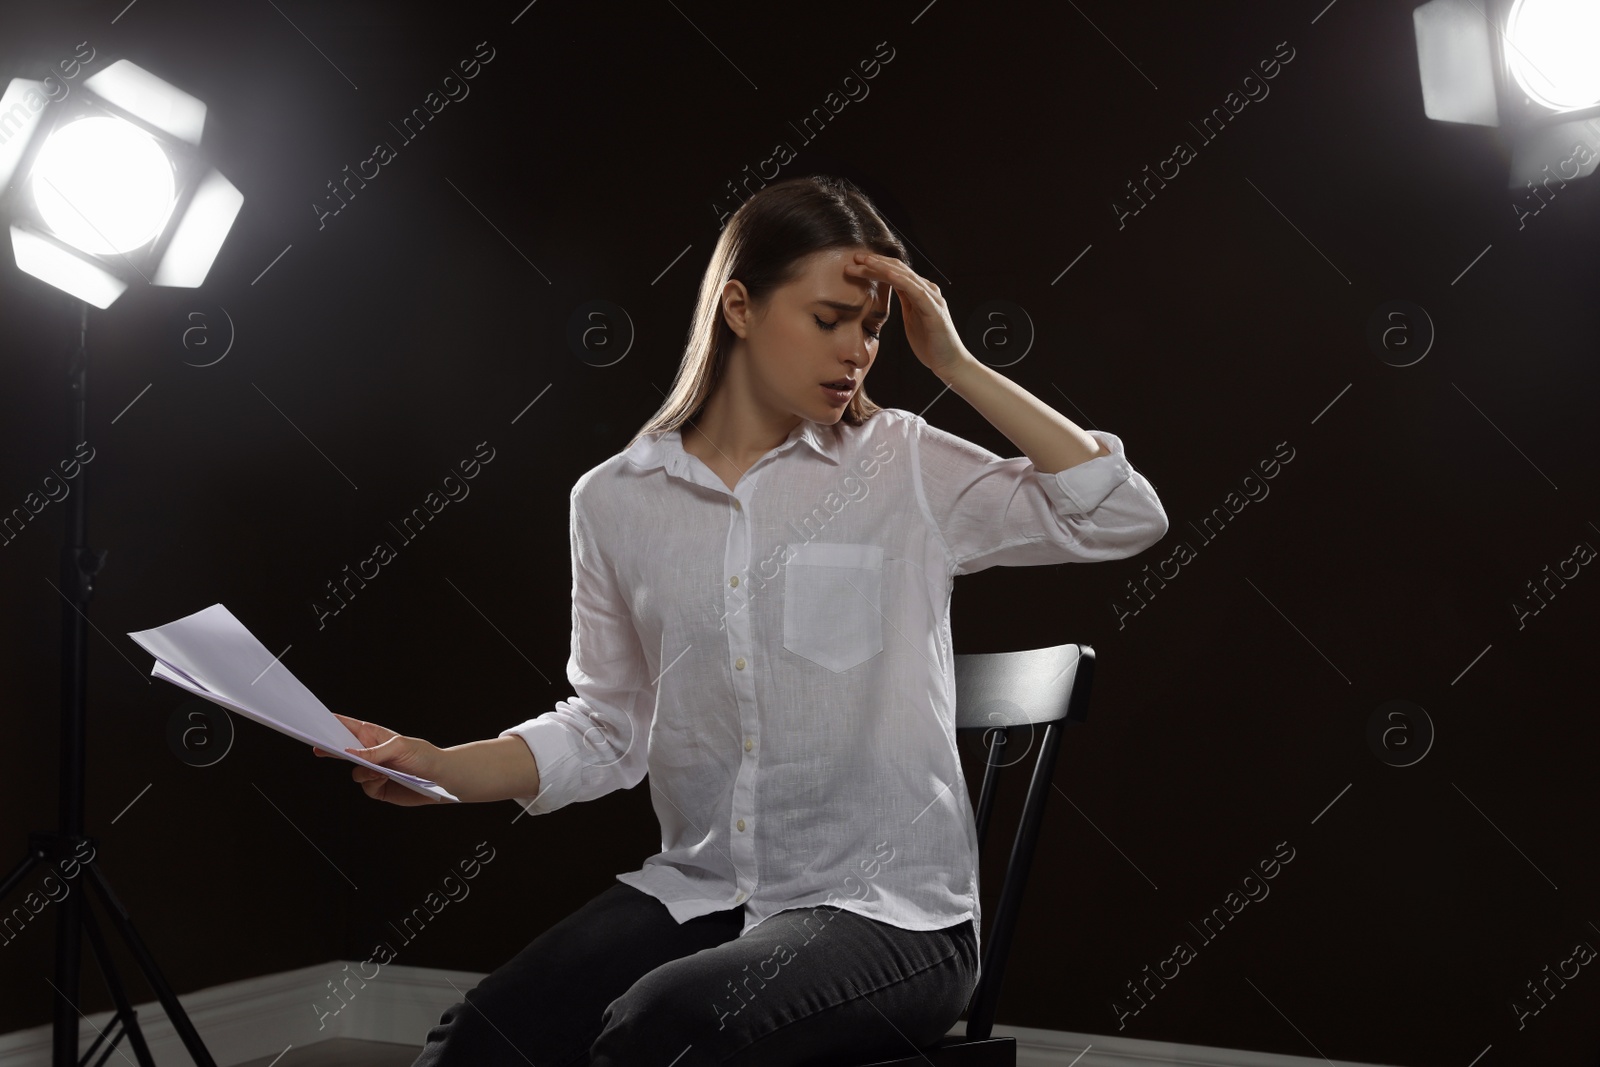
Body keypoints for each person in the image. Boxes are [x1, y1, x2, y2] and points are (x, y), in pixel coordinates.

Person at [314, 174, 1169, 1066]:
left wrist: (955, 363)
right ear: (739, 307)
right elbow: (607, 728)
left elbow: (1119, 515)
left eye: (874, 328)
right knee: (478, 1041)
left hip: (890, 917)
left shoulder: (902, 462)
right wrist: (440, 768)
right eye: (831, 318)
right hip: (707, 890)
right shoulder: (613, 499)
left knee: (667, 1026)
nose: (861, 351)